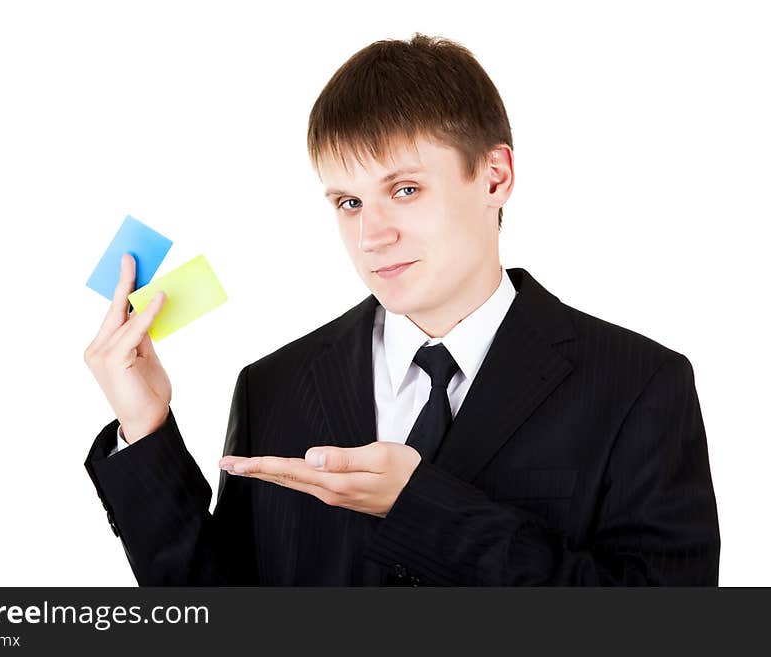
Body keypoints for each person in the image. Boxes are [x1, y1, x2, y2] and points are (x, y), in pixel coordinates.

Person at [82, 34, 720, 586]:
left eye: (405, 190)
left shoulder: (638, 384)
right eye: (348, 203)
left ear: (494, 177)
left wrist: (423, 509)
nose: (371, 236)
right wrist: (145, 431)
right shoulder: (274, 387)